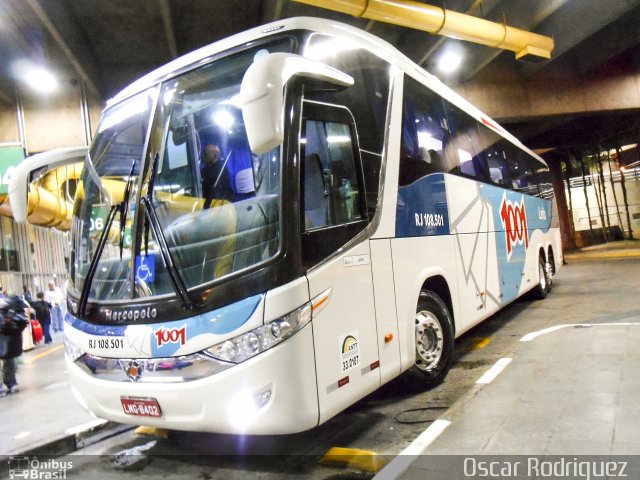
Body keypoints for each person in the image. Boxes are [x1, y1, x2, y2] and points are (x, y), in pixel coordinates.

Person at [0, 295, 30, 397]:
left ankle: (3, 387)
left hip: (4, 336)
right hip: (9, 338)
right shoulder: (8, 303)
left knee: (8, 360)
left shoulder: (4, 304)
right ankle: (11, 384)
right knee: (9, 360)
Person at [201, 143, 233, 207]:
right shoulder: (205, 170)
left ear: (215, 156)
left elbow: (216, 192)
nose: (203, 156)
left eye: (205, 154)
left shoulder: (221, 170)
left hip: (217, 205)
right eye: (203, 154)